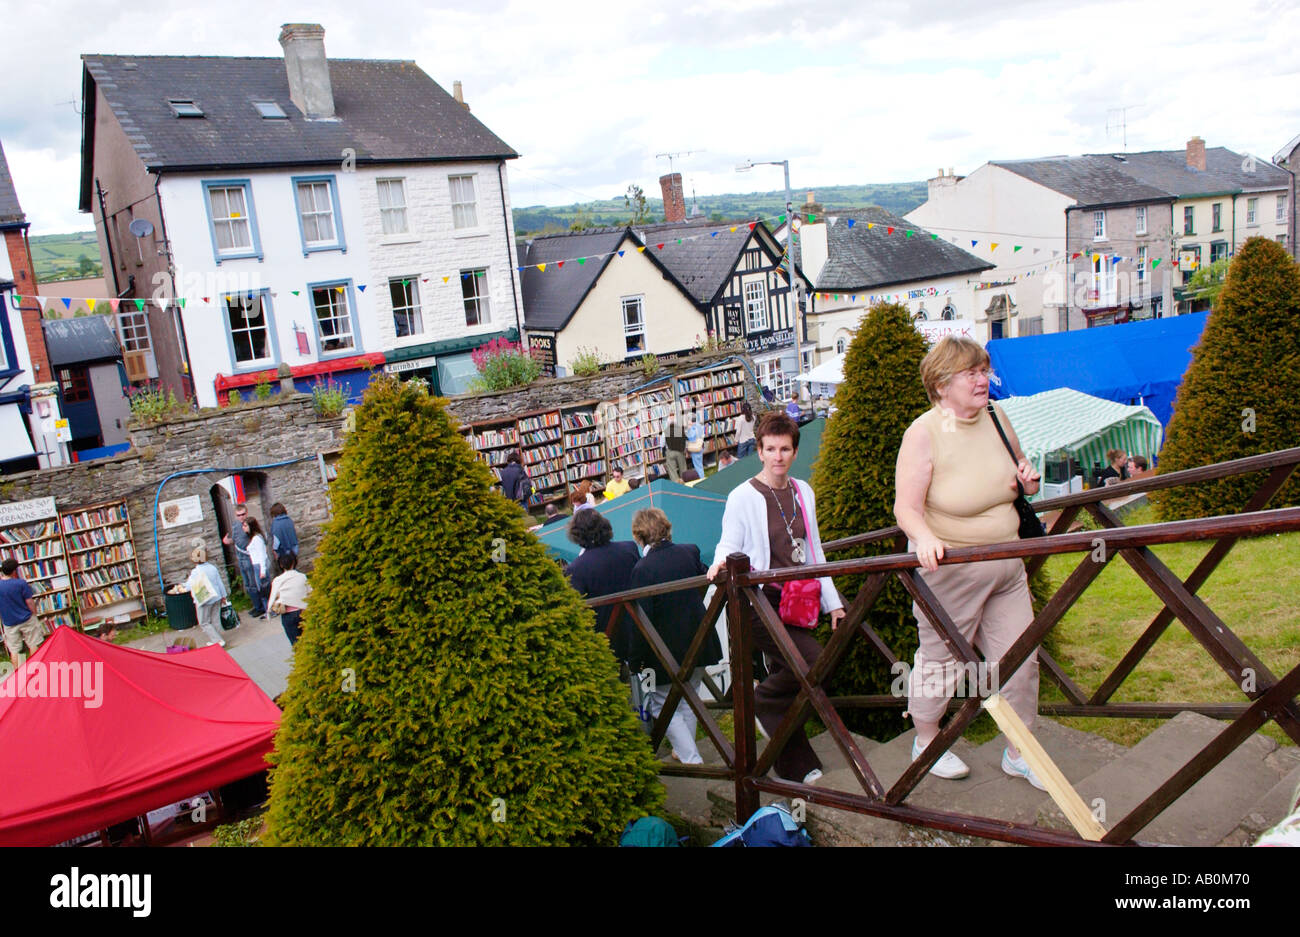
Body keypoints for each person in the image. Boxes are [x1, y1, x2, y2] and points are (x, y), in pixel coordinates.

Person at [893, 335, 1044, 789]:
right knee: (942, 662)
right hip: (951, 572)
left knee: (1021, 659)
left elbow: (1021, 477)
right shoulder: (923, 432)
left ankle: (1020, 752)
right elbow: (906, 508)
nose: (984, 380)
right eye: (972, 373)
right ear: (941, 384)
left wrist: (1029, 480)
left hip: (1008, 564)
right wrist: (922, 537)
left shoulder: (997, 416)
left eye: (985, 370)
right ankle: (927, 741)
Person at [707, 412, 845, 785]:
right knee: (811, 663)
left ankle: (793, 761)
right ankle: (765, 704)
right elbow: (729, 543)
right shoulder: (742, 496)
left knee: (806, 670)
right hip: (757, 603)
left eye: (785, 449)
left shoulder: (803, 491)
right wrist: (720, 562)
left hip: (796, 600)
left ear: (795, 451)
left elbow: (814, 550)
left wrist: (833, 602)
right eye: (770, 449)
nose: (778, 456)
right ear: (760, 451)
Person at [623, 508, 723, 765]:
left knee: (660, 704)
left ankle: (691, 758)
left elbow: (641, 620)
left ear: (639, 536)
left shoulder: (642, 569)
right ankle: (685, 753)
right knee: (689, 699)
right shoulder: (689, 551)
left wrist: (636, 660)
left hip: (664, 651)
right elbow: (704, 578)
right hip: (699, 641)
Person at [565, 509, 640, 637]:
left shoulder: (577, 568)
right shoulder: (629, 548)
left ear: (577, 535)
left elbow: (577, 612)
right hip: (639, 626)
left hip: (605, 636)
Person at [223, 503, 265, 618]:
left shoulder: (250, 524)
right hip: (240, 557)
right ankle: (255, 605)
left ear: (246, 513)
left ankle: (260, 607)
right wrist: (228, 541)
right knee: (247, 584)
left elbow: (257, 538)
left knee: (253, 583)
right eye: (238, 515)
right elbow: (235, 540)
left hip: (249, 557)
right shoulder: (236, 525)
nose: (241, 517)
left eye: (243, 514)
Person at [182, 543, 228, 647]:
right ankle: (217, 639)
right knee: (215, 619)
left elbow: (189, 586)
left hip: (204, 599)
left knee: (204, 622)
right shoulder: (212, 568)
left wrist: (182, 586)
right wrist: (223, 596)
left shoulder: (195, 572)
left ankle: (218, 641)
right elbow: (219, 582)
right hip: (216, 597)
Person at [1, 558, 43, 669]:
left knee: (14, 650)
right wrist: (34, 614)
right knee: (33, 643)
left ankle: (19, 675)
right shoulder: (21, 583)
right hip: (26, 619)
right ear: (15, 571)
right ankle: (34, 670)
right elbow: (29, 602)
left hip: (9, 622)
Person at [268, 552, 311, 646]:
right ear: (294, 563)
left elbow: (273, 597)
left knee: (296, 644)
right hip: (303, 612)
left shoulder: (278, 580)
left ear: (281, 565)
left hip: (288, 614)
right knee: (309, 641)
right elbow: (310, 592)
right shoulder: (302, 577)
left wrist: (269, 610)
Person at [244, 517, 272, 619]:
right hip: (257, 565)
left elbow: (261, 555)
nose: (244, 528)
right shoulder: (255, 538)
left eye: (245, 525)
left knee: (264, 590)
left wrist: (262, 570)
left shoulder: (256, 539)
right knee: (263, 590)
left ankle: (270, 610)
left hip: (259, 566)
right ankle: (267, 610)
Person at [269, 502, 299, 569]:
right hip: (293, 550)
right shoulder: (289, 520)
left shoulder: (276, 524)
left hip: (283, 551)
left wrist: (274, 550)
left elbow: (276, 539)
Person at [663, 411, 688, 483]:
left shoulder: (665, 431)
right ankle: (685, 481)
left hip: (670, 451)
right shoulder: (681, 429)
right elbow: (684, 440)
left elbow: (662, 444)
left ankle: (676, 484)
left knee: (672, 470)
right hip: (680, 451)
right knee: (683, 467)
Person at [684, 414, 706, 479]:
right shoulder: (699, 425)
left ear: (690, 420)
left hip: (695, 448)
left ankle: (701, 478)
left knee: (697, 465)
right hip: (700, 446)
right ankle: (702, 476)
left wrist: (689, 429)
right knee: (700, 464)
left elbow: (692, 439)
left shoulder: (692, 428)